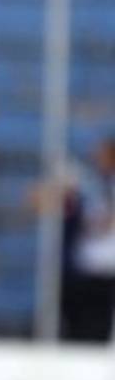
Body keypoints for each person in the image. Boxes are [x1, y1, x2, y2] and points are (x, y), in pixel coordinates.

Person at [62, 137, 115, 342]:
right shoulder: (90, 184)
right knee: (79, 329)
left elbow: (103, 222)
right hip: (85, 269)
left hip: (108, 270)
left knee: (99, 329)